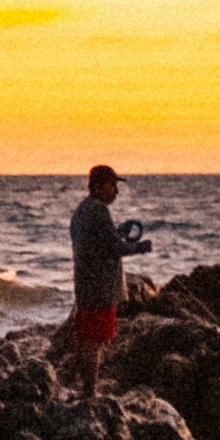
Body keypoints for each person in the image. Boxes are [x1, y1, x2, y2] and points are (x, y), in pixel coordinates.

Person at [66, 164, 147, 394]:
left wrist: (119, 231)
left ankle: (87, 389)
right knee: (95, 341)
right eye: (112, 186)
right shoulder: (99, 211)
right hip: (100, 288)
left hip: (85, 285)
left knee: (86, 339)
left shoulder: (82, 210)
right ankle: (90, 392)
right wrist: (140, 248)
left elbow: (98, 242)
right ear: (99, 186)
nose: (116, 192)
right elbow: (113, 248)